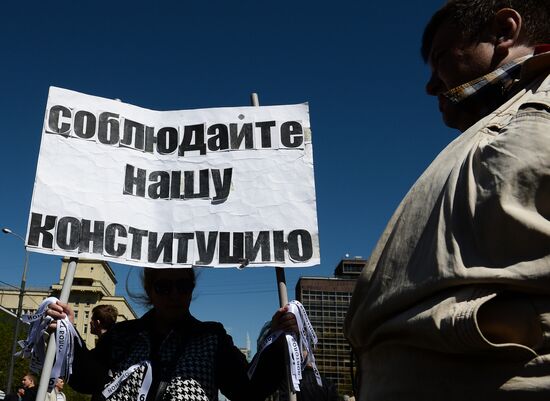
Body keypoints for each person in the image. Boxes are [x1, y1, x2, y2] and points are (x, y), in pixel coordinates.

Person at [344, 0, 550, 400]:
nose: (430, 85)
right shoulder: (498, 123)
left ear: (504, 32)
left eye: (440, 58)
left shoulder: (535, 108)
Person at [47, 268, 297, 401]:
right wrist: (66, 334)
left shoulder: (211, 337)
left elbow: (247, 391)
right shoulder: (123, 335)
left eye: (183, 286)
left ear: (191, 289)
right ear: (150, 290)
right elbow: (87, 380)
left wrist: (277, 341)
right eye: (164, 287)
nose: (175, 295)